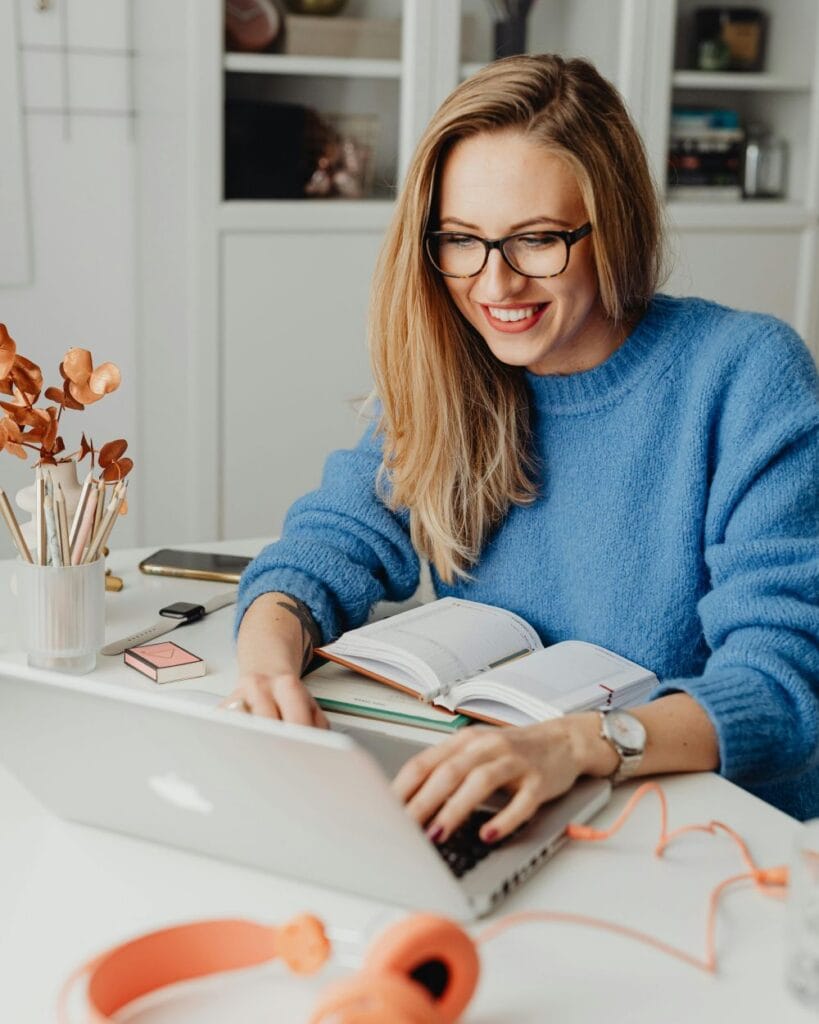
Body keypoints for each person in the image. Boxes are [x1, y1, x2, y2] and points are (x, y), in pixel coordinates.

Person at [227, 54, 819, 841]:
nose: (495, 285)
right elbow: (326, 545)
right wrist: (268, 657)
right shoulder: (452, 366)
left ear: (614, 224)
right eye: (461, 240)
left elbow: (782, 686)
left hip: (702, 830)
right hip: (511, 803)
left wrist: (578, 745)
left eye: (537, 240)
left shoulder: (743, 373)